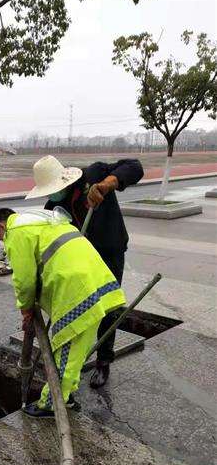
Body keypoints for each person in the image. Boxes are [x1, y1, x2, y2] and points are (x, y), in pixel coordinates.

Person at [0, 206, 126, 417]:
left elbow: (24, 279)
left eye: (0, 238)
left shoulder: (15, 230)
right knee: (78, 349)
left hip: (76, 289)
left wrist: (25, 308)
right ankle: (66, 394)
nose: (3, 242)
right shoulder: (40, 218)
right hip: (96, 281)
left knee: (65, 349)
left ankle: (51, 403)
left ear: (1, 226)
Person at [26, 155, 144, 388]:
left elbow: (135, 167)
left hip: (109, 251)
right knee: (79, 308)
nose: (52, 194)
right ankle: (73, 360)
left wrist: (107, 184)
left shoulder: (94, 175)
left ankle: (103, 361)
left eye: (54, 189)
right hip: (80, 260)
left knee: (108, 309)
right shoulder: (53, 207)